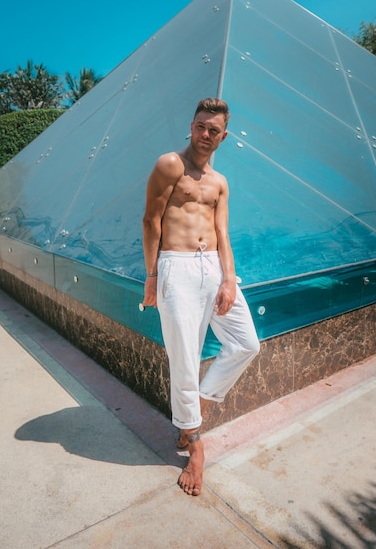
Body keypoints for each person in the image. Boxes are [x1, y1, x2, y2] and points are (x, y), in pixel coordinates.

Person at [142, 98, 260, 496]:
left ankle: (199, 406)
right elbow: (151, 220)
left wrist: (229, 279)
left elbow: (223, 234)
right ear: (190, 126)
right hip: (176, 267)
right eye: (200, 126)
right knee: (185, 358)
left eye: (213, 130)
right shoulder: (170, 165)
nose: (205, 135)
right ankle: (195, 445)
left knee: (246, 343)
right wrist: (152, 276)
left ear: (223, 136)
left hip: (213, 267)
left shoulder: (220, 182)